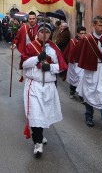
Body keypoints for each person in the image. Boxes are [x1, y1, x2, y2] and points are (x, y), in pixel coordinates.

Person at [21, 23, 68, 156]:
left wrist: (50, 68)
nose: (44, 34)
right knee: (36, 114)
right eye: (42, 31)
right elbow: (24, 64)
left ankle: (40, 134)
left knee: (44, 114)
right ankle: (37, 143)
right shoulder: (30, 46)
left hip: (48, 86)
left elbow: (62, 66)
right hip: (34, 85)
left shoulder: (54, 48)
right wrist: (37, 58)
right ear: (38, 33)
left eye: (47, 32)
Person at [76, 15, 102, 131]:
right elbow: (81, 54)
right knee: (90, 94)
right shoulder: (87, 39)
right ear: (94, 25)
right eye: (100, 25)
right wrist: (81, 70)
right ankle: (89, 117)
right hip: (90, 71)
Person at [10, 11, 38, 81]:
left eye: (33, 18)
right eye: (30, 18)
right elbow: (17, 38)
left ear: (36, 19)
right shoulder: (23, 28)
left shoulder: (39, 29)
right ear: (28, 19)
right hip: (26, 53)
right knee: (26, 72)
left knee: (36, 71)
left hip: (37, 53)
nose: (31, 20)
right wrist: (14, 44)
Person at [63, 26, 86, 100]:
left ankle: (81, 95)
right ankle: (72, 91)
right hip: (74, 64)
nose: (84, 35)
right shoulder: (73, 41)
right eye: (82, 33)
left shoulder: (87, 41)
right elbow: (69, 52)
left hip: (82, 64)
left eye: (85, 33)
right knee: (73, 79)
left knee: (81, 79)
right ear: (77, 34)